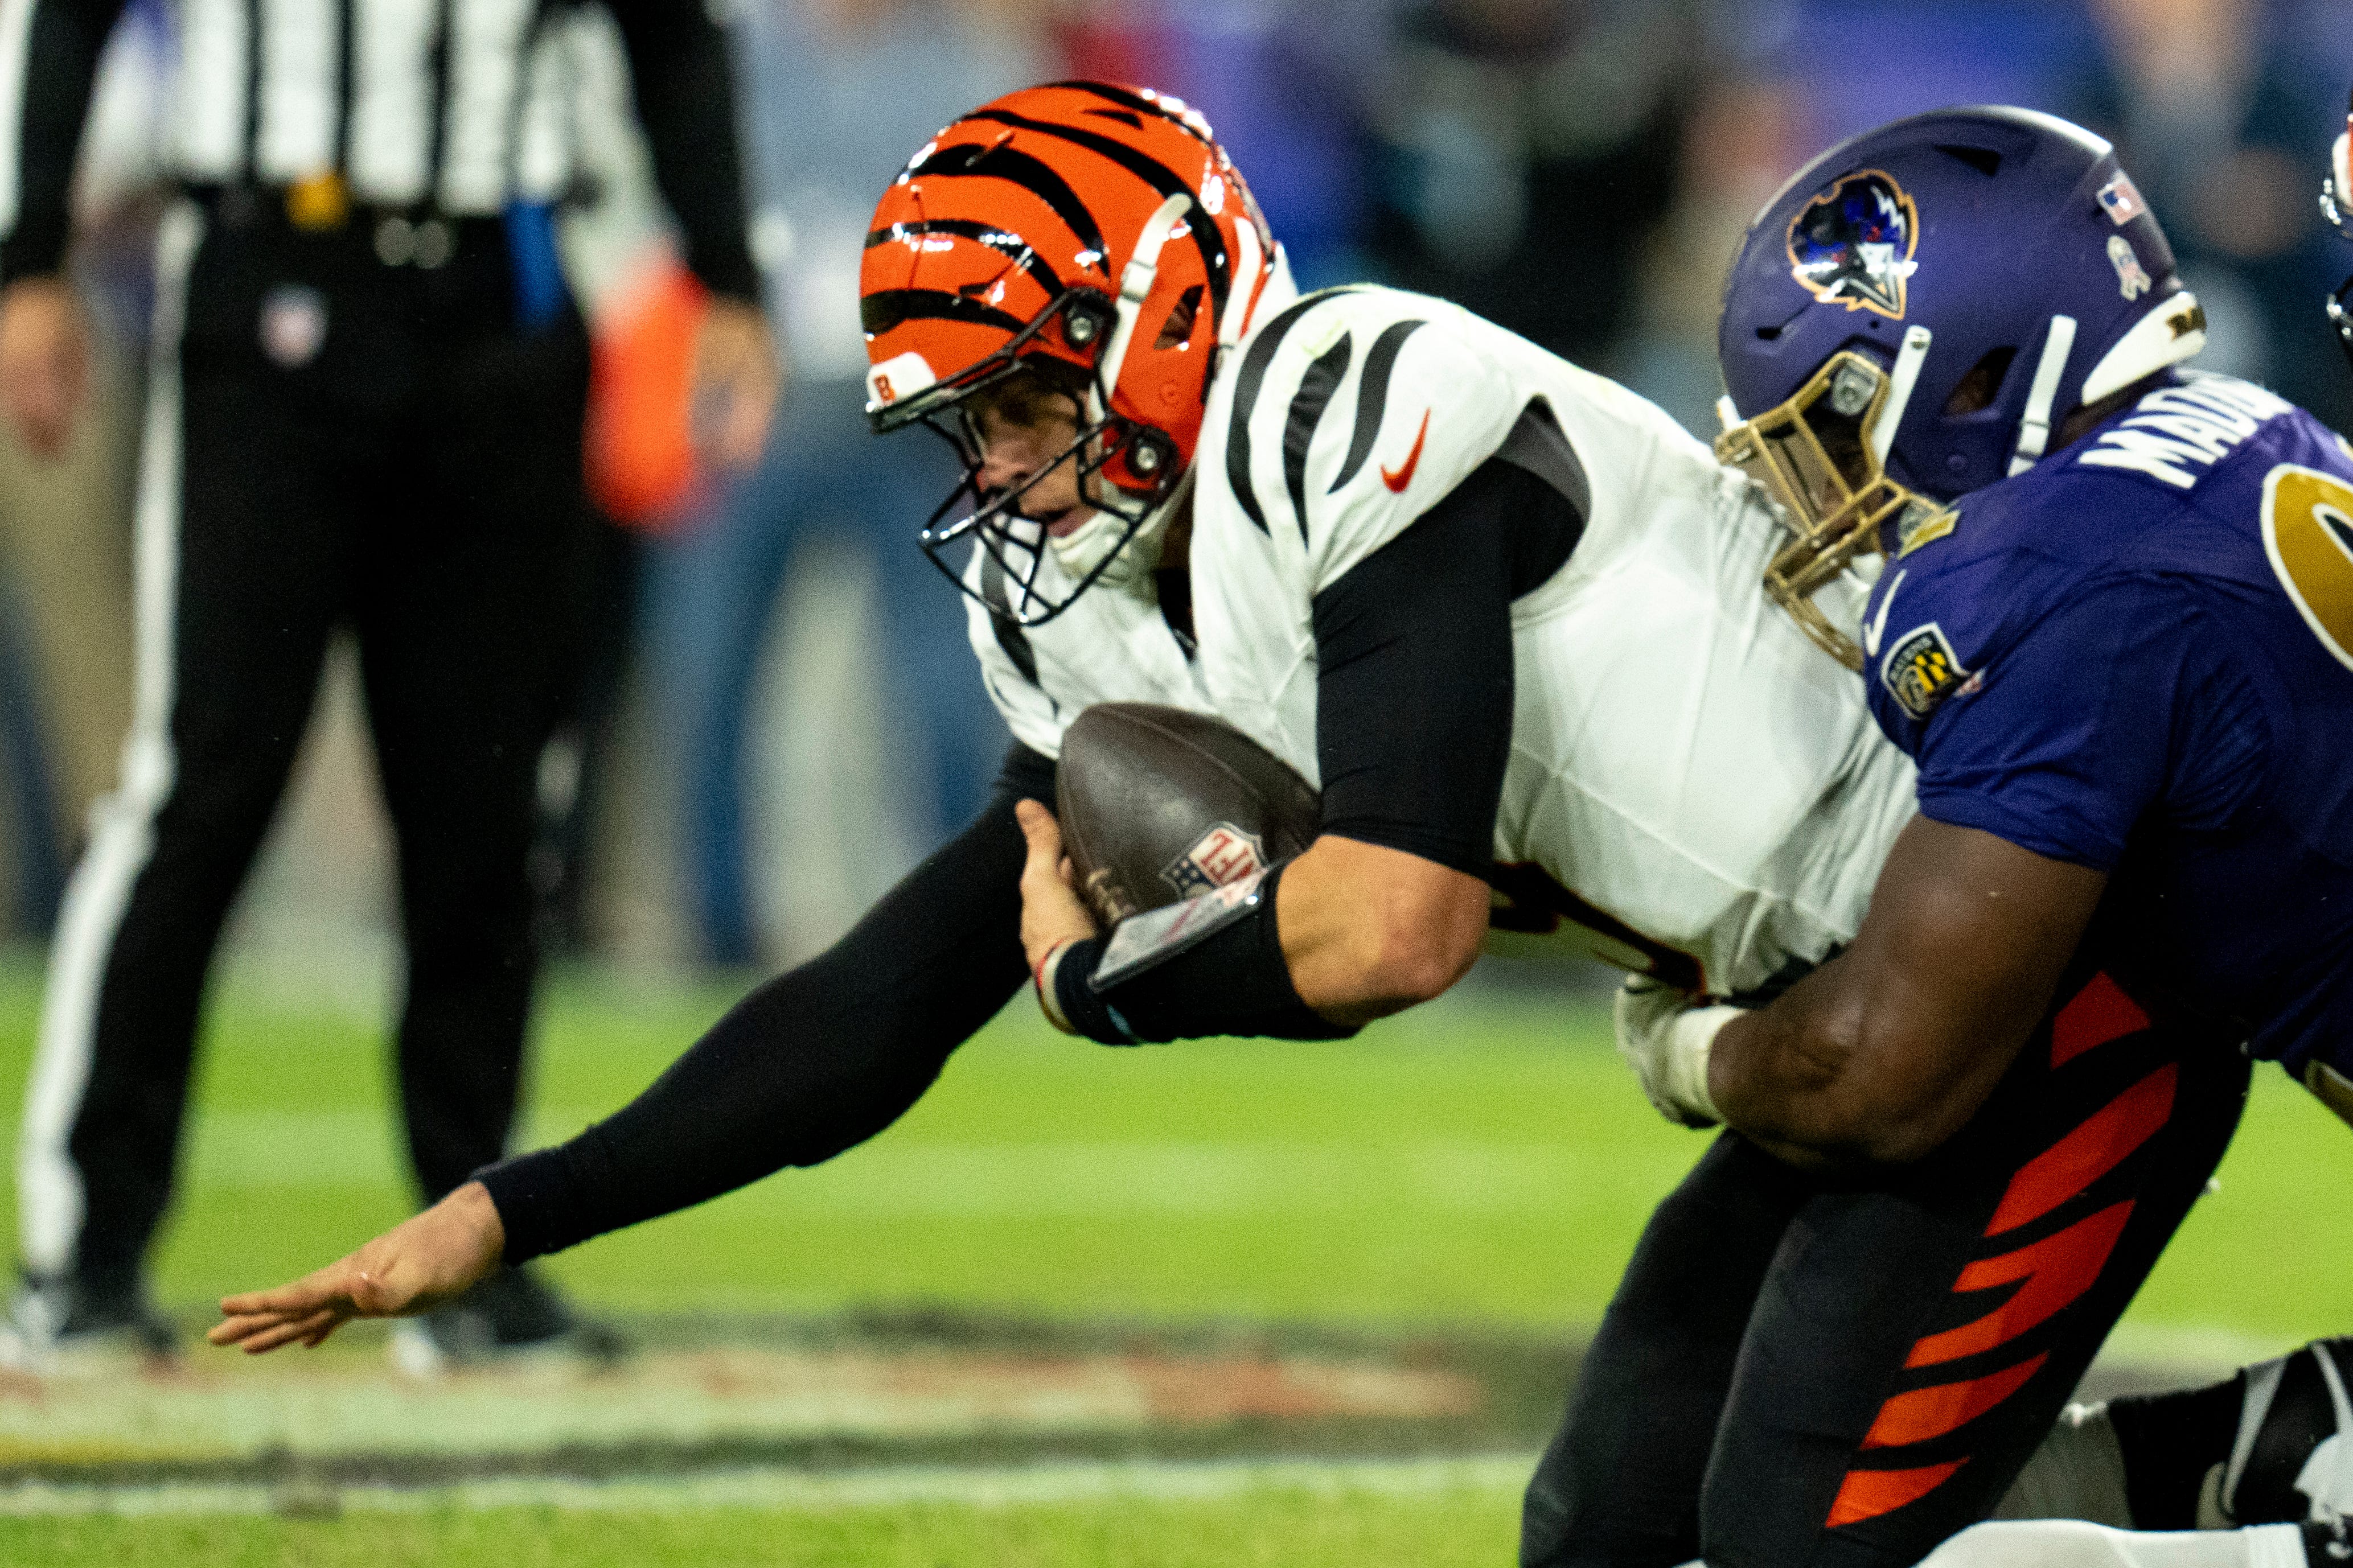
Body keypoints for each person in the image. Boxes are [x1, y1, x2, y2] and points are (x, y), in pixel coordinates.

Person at [204, 84, 2346, 1561]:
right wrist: (510, 1209)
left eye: (1026, 405)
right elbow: (898, 988)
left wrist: (1113, 993)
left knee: (1793, 1544)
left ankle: (2305, 1479)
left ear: (1152, 322)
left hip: (2006, 977)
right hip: (1824, 1010)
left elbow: (1394, 919)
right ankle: (2237, 1456)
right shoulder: (1123, 594)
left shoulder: (1346, 398)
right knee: (1602, 1530)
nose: (1007, 473)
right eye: (970, 428)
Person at [1594, 104, 2353, 1567]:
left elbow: (1889, 1073)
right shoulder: (2239, 423)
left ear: (1976, 371)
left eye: (1826, 430)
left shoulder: (2052, 571)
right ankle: (2305, 1442)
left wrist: (1691, 1051)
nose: (1812, 495)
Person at [0, 0, 778, 1366]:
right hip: (268, 276)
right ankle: (82, 1256)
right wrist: (32, 257)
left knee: (486, 810)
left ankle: (470, 1257)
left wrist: (727, 273)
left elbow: (674, 34)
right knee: (205, 778)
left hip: (504, 294)